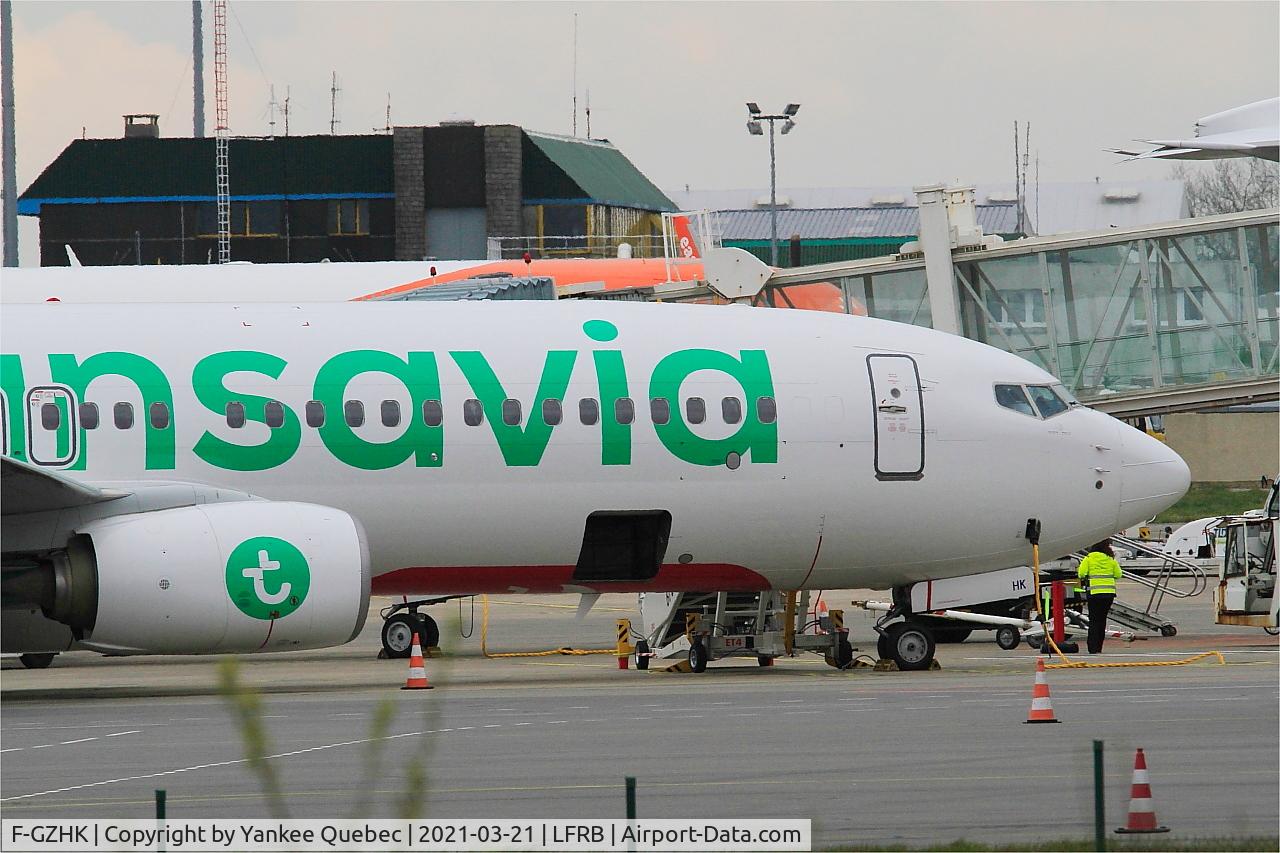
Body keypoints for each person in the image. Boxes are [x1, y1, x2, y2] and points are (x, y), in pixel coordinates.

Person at [1077, 540, 1123, 654]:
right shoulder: (1110, 559)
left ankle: (1092, 647)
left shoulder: (1088, 558)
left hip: (1094, 593)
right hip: (1108, 594)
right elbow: (1118, 574)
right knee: (1102, 620)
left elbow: (1081, 574)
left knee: (1094, 620)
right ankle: (1099, 647)